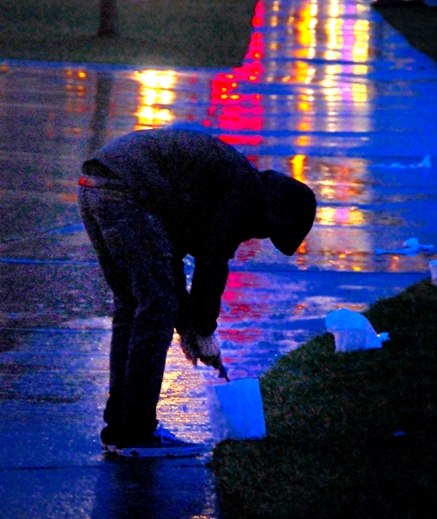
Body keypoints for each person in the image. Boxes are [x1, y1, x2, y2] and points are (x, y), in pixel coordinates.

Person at [77, 128, 317, 457]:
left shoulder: (226, 183)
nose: (255, 237)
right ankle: (134, 432)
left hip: (97, 182)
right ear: (273, 216)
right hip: (126, 191)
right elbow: (211, 263)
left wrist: (188, 328)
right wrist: (203, 332)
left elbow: (168, 257)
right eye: (266, 233)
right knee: (155, 308)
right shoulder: (242, 192)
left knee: (135, 306)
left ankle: (120, 429)